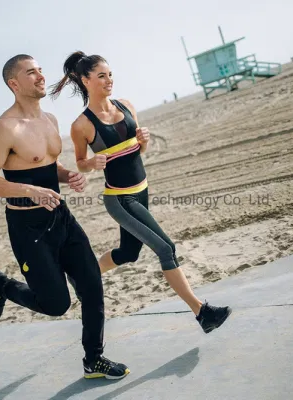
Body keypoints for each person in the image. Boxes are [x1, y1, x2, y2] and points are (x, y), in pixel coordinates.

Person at [49, 51, 232, 334]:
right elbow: (82, 163)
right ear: (85, 80)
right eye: (101, 76)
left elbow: (138, 150)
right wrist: (92, 164)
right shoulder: (81, 125)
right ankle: (202, 313)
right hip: (120, 199)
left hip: (142, 191)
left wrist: (144, 141)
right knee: (166, 248)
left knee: (128, 253)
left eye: (110, 74)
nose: (109, 80)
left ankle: (82, 278)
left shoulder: (126, 106)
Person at [0, 54, 130, 380]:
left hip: (61, 218)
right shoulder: (4, 128)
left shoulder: (50, 120)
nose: (41, 76)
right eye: (31, 73)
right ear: (14, 84)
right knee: (56, 305)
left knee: (91, 284)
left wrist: (67, 175)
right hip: (27, 226)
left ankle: (93, 360)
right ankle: (2, 284)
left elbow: (44, 166)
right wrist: (31, 192)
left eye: (41, 70)